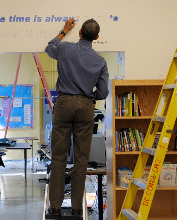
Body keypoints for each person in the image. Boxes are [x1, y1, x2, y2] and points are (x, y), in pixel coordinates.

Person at [45, 18, 109, 217]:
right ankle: (76, 209)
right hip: (85, 106)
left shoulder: (65, 49)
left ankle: (55, 208)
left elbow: (49, 48)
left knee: (58, 158)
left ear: (79, 32)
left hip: (64, 103)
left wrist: (64, 31)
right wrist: (90, 96)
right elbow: (104, 91)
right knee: (81, 160)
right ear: (97, 37)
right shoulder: (100, 61)